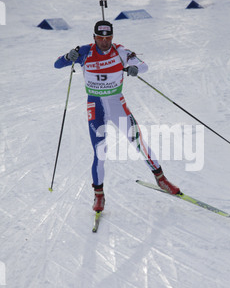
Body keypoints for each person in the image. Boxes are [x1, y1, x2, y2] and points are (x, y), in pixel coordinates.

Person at [54, 20, 180, 212]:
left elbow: (144, 65)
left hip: (116, 105)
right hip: (95, 106)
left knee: (139, 142)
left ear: (112, 37)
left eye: (108, 38)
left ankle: (161, 179)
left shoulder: (120, 51)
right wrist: (67, 56)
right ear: (94, 37)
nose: (104, 42)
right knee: (100, 151)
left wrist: (134, 68)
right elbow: (57, 64)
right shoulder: (85, 51)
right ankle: (99, 195)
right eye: (100, 38)